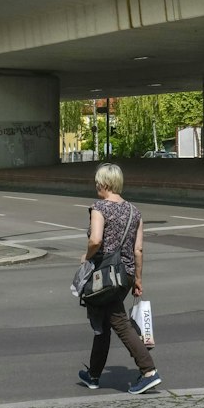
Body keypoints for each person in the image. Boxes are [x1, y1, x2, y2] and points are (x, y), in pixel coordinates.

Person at [77, 163, 161, 394]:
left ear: (104, 183)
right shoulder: (135, 212)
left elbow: (95, 240)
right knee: (104, 323)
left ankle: (149, 371)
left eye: (97, 182)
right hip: (126, 274)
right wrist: (138, 279)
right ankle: (93, 374)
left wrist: (87, 256)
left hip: (105, 275)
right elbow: (138, 250)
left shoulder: (99, 208)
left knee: (119, 322)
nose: (96, 185)